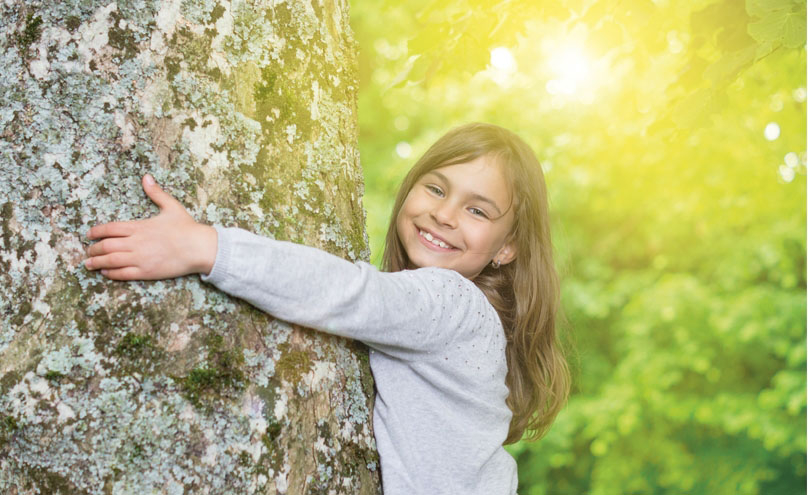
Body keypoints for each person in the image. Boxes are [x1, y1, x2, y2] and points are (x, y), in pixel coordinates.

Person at [84, 122, 570, 494]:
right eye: (437, 189)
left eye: (477, 210)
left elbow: (345, 292)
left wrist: (206, 247)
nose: (444, 214)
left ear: (508, 249)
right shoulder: (466, 320)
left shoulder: (455, 303)